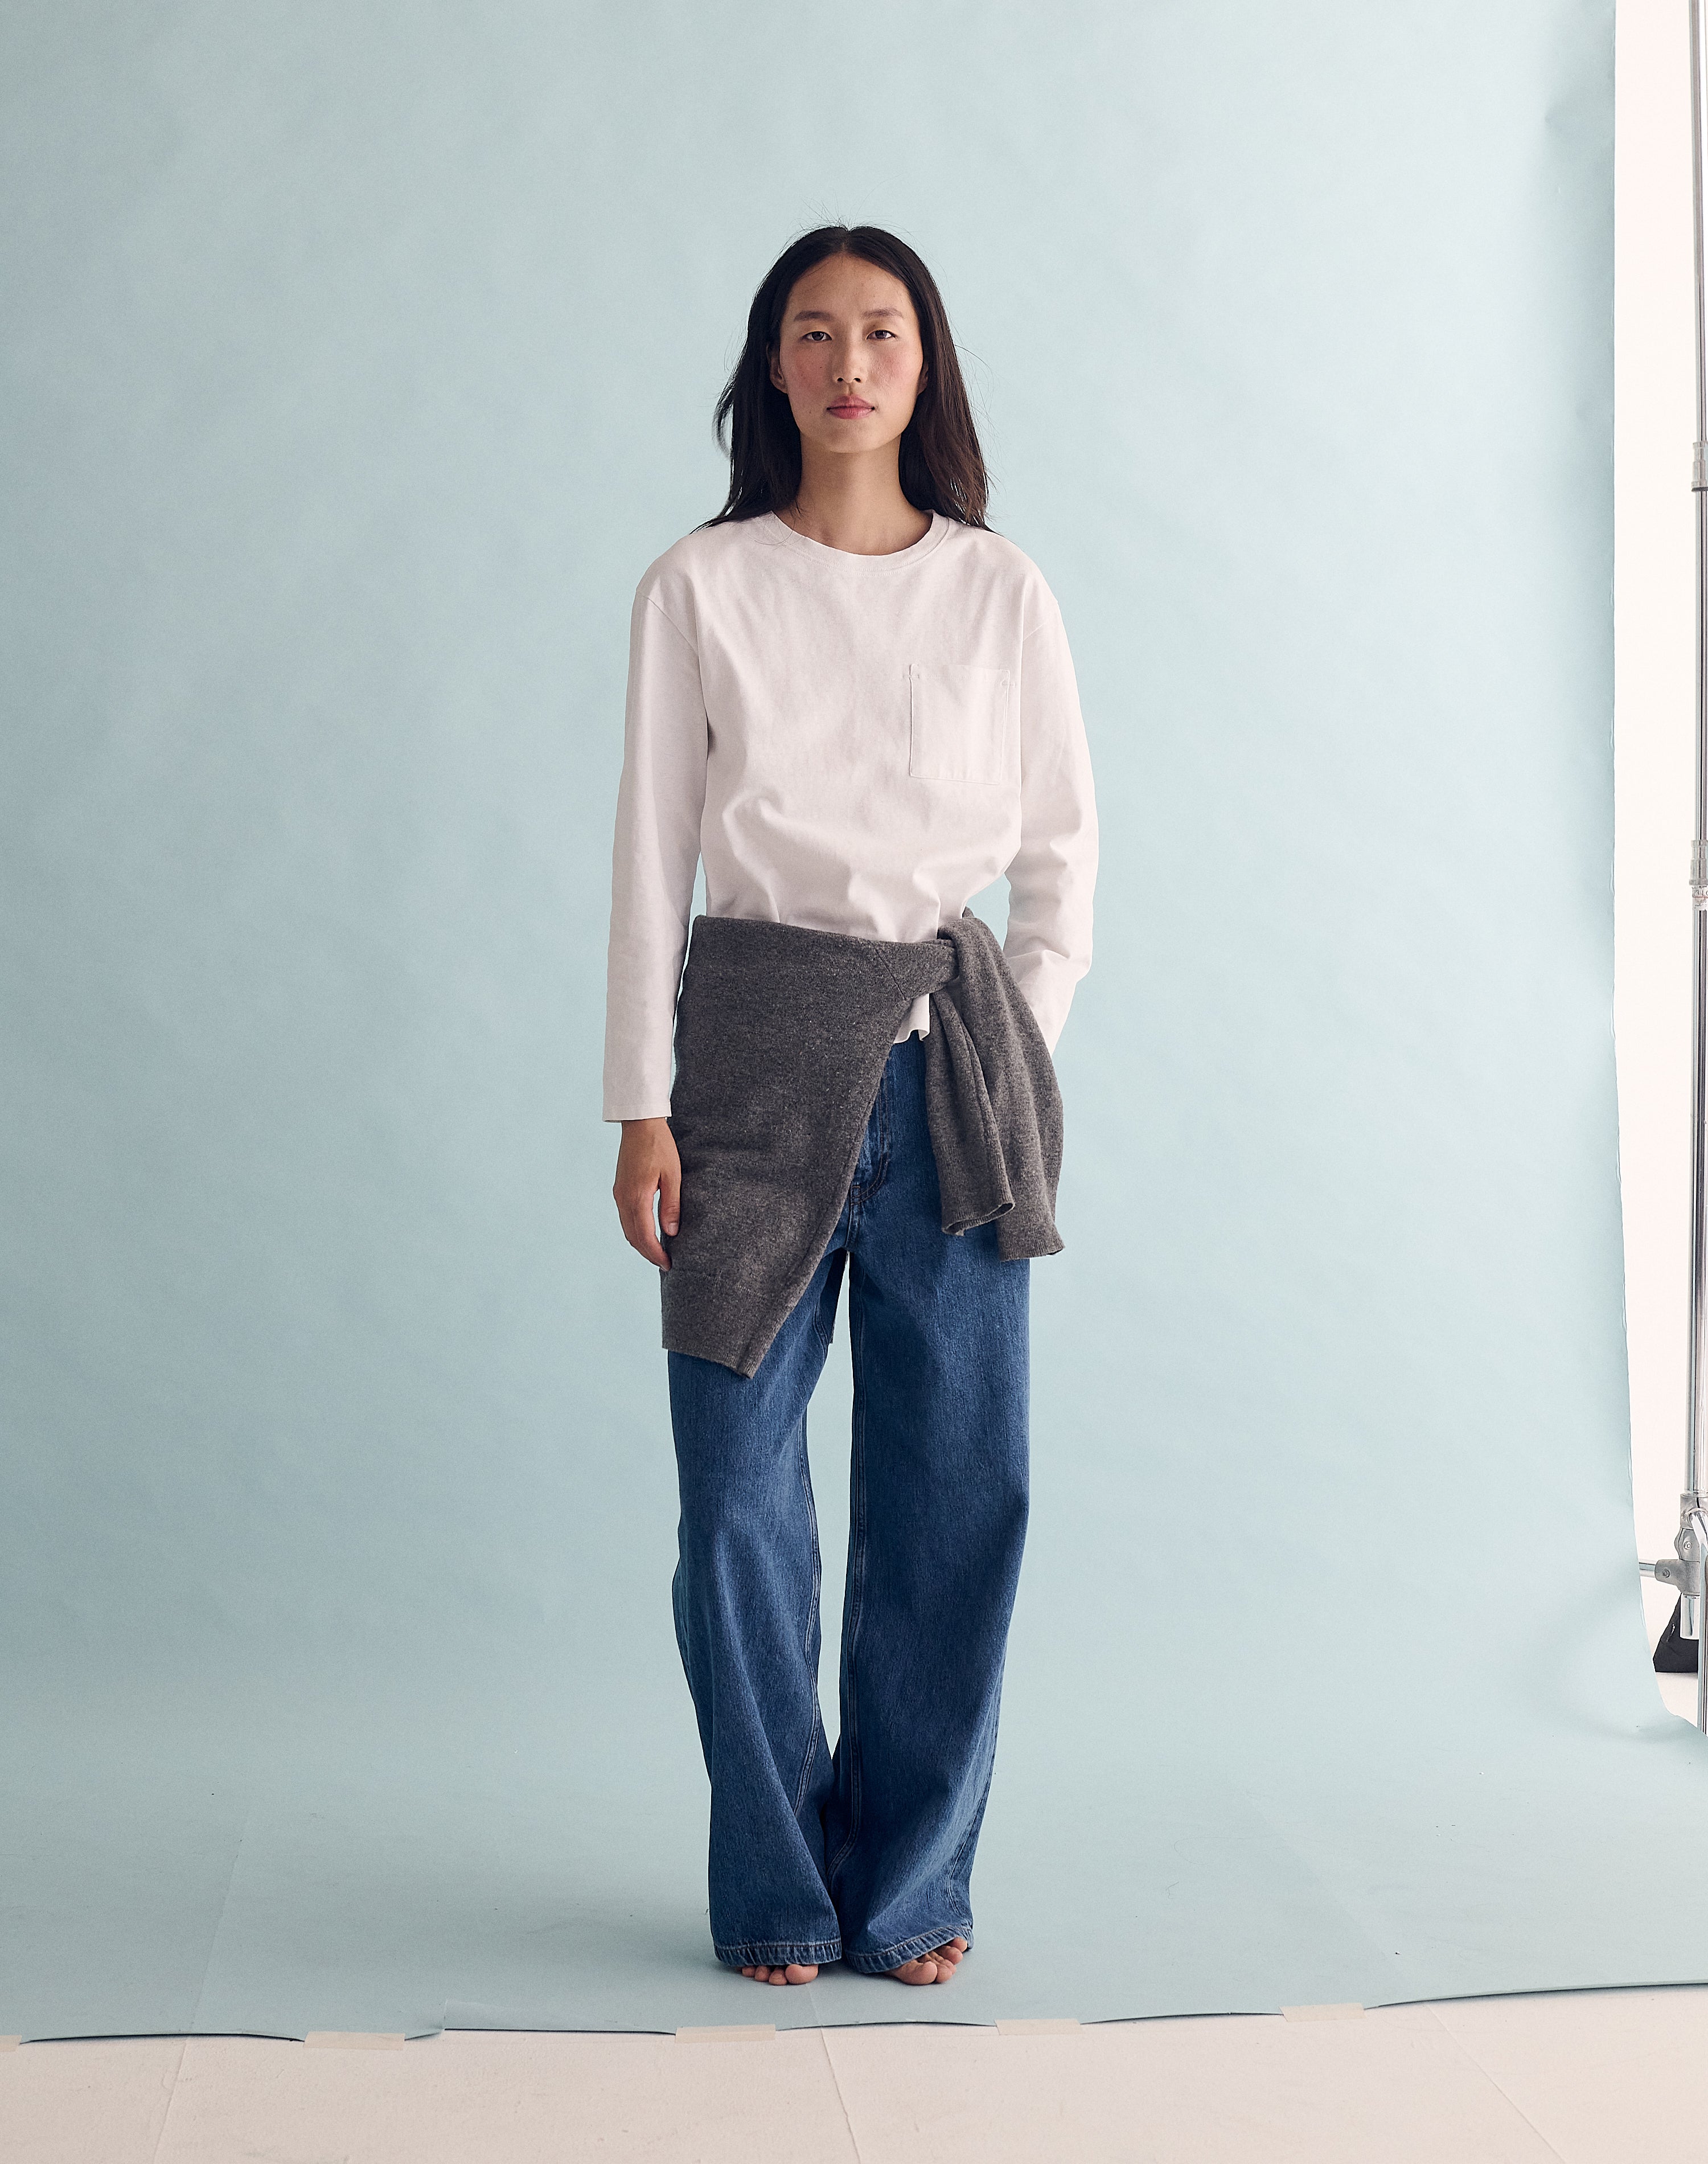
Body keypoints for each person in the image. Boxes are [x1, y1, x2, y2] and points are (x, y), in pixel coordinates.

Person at [602, 224, 1097, 1987]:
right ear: (774, 366)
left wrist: (1006, 1042)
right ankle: (773, 1881)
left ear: (922, 362)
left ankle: (912, 1889)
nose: (848, 363)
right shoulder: (700, 584)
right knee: (735, 1501)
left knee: (957, 1493)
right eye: (812, 333)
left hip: (953, 1072)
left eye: (880, 331)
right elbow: (652, 852)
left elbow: (1062, 858)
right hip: (745, 1067)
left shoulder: (999, 589)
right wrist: (640, 1105)